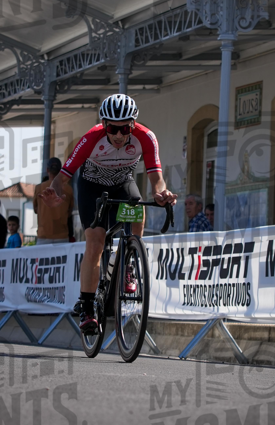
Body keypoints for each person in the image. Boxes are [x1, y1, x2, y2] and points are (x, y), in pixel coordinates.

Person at [40, 94, 177, 335]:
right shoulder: (91, 138)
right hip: (92, 187)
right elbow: (63, 177)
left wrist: (161, 193)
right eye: (112, 128)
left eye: (124, 128)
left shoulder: (146, 137)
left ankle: (130, 262)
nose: (118, 135)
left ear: (133, 125)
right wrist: (54, 193)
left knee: (137, 206)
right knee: (95, 242)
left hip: (123, 182)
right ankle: (87, 306)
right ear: (104, 124)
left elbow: (156, 177)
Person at [34, 157, 74, 245]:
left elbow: (36, 209)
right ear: (60, 171)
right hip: (62, 236)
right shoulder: (68, 189)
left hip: (43, 235)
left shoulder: (39, 188)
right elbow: (70, 211)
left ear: (47, 170)